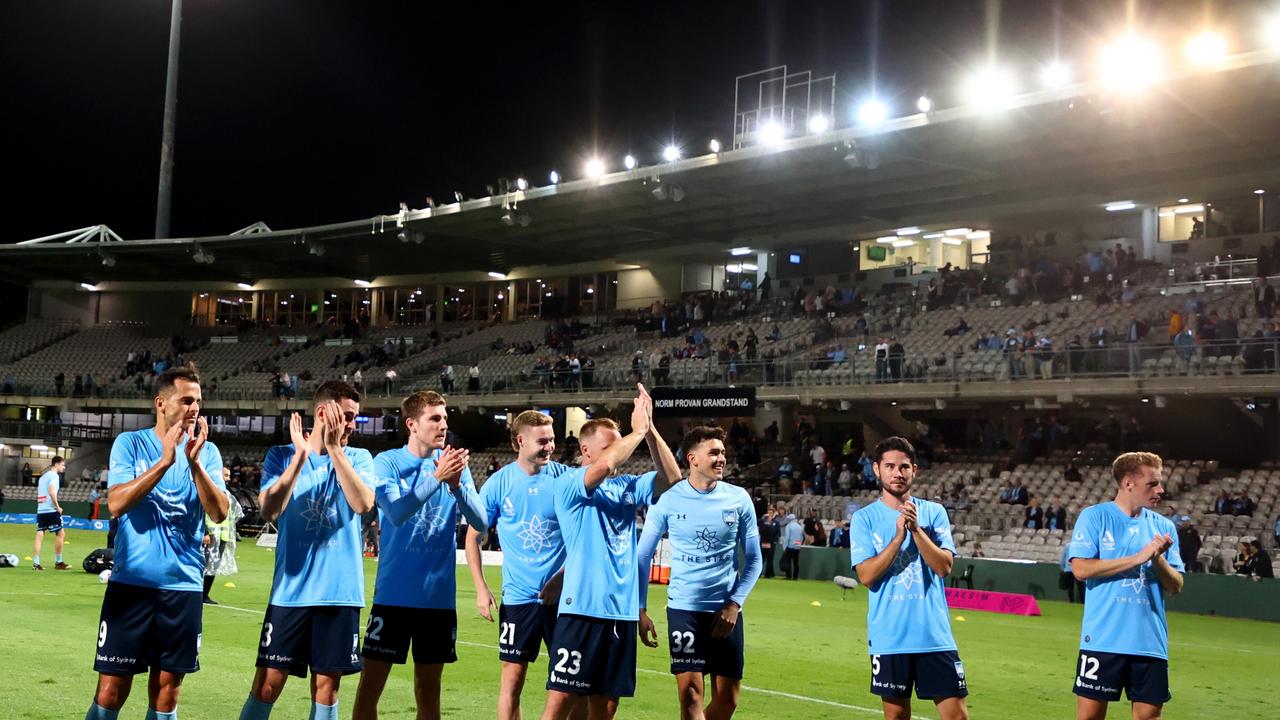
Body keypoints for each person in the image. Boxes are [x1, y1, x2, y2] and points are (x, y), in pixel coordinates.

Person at [86, 364, 228, 720]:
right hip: (131, 586)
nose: (194, 408)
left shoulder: (207, 453)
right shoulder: (131, 444)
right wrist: (165, 462)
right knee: (111, 690)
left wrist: (194, 464)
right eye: (186, 400)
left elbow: (220, 512)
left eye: (198, 401)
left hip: (182, 587)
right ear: (161, 403)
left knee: (167, 693)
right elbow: (116, 502)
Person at [540, 385, 680, 720]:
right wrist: (635, 432)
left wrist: (650, 430)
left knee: (605, 705)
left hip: (622, 613)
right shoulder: (570, 484)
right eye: (610, 445)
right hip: (582, 611)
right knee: (561, 702)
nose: (621, 451)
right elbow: (602, 468)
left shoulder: (628, 485)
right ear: (586, 450)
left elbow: (673, 480)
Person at [239, 381, 377, 720]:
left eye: (354, 419)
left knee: (327, 688)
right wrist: (301, 457)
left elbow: (363, 503)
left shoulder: (358, 457)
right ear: (322, 413)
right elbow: (269, 510)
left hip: (339, 595)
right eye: (346, 416)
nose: (350, 425)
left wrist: (335, 450)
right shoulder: (281, 456)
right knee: (267, 684)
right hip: (291, 594)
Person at [353, 390, 488, 720]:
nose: (443, 424)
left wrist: (456, 485)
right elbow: (397, 512)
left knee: (429, 690)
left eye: (445, 418)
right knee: (371, 686)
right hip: (394, 595)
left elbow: (481, 522)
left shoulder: (453, 463)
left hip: (437, 600)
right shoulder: (387, 461)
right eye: (435, 418)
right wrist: (437, 478)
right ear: (412, 423)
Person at [637, 425, 763, 720]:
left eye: (723, 452)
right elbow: (643, 555)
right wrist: (640, 609)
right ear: (692, 458)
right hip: (684, 611)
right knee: (691, 695)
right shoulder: (668, 499)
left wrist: (735, 604)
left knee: (728, 699)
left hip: (726, 613)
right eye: (714, 452)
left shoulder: (739, 498)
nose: (722, 459)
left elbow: (754, 560)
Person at [464, 410, 578, 720]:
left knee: (570, 682)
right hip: (518, 599)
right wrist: (480, 587)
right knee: (512, 678)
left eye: (552, 440)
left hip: (564, 599)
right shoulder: (498, 483)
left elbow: (584, 539)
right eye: (543, 441)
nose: (550, 446)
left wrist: (563, 577)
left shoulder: (567, 479)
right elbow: (473, 537)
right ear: (520, 441)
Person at [849, 437, 968, 720]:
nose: (897, 473)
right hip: (889, 638)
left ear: (914, 470)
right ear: (876, 470)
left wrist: (915, 530)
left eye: (904, 467)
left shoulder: (934, 513)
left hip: (934, 636)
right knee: (896, 717)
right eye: (889, 466)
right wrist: (897, 537)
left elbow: (944, 567)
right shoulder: (864, 519)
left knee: (957, 716)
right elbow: (866, 576)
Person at [1067, 452, 1184, 720]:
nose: (1160, 489)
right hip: (1102, 640)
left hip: (1149, 643)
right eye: (1152, 483)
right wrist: (1137, 557)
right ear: (1128, 483)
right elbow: (1081, 569)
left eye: (1159, 483)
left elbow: (1176, 586)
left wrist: (1157, 560)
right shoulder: (1095, 517)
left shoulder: (1163, 527)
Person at [33, 456, 68, 571]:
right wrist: (57, 507)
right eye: (62, 465)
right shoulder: (54, 476)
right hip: (51, 510)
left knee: (39, 535)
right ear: (56, 464)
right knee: (60, 533)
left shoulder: (43, 477)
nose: (64, 467)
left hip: (41, 510)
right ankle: (58, 561)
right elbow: (52, 491)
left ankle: (36, 563)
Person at [758, 507, 780, 579]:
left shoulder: (776, 523)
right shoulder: (763, 521)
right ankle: (759, 573)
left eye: (771, 513)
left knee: (770, 559)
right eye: (769, 512)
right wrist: (762, 517)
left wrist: (774, 540)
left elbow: (778, 533)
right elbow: (757, 523)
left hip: (771, 543)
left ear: (773, 514)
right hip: (763, 542)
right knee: (761, 559)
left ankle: (767, 574)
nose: (769, 514)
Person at [780, 513, 803, 580]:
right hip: (797, 546)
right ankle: (795, 576)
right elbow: (801, 538)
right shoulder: (799, 527)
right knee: (796, 562)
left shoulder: (789, 526)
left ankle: (788, 576)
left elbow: (787, 538)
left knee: (788, 561)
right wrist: (799, 544)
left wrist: (784, 547)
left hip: (790, 546)